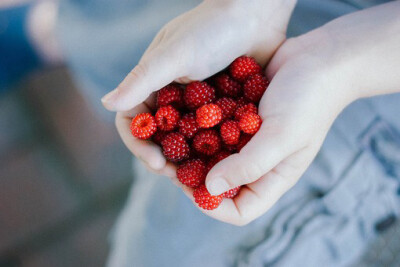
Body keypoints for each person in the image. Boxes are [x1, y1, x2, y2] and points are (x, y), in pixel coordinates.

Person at [98, 0, 400, 266]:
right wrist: (248, 8)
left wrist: (338, 68)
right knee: (109, 44)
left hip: (379, 73)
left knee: (165, 251)